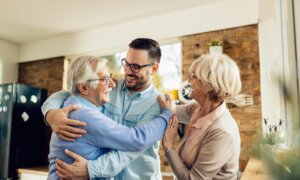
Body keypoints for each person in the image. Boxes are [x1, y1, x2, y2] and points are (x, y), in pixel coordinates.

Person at [42, 38, 171, 179]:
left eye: (135, 67)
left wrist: (91, 169)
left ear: (154, 68)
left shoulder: (160, 103)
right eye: (126, 64)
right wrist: (51, 113)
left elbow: (134, 144)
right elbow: (69, 91)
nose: (127, 71)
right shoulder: (106, 91)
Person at [162, 54, 242, 180]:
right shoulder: (197, 109)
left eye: (193, 76)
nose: (188, 81)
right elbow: (168, 110)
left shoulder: (221, 132)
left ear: (208, 84)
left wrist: (169, 146)